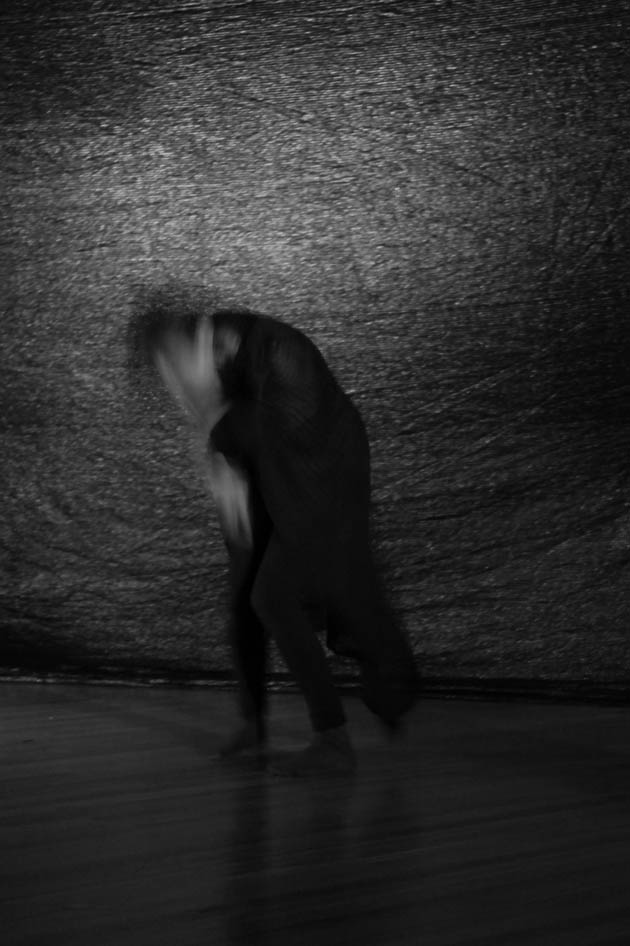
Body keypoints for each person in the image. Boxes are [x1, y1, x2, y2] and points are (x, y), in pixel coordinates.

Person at [129, 289, 418, 775]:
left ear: (184, 342)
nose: (172, 377)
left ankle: (334, 737)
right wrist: (225, 466)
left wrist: (223, 448)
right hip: (275, 467)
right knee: (245, 586)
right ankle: (254, 720)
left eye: (171, 361)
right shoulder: (212, 352)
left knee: (276, 595)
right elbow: (227, 425)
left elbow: (277, 432)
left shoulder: (264, 346)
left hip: (317, 473)